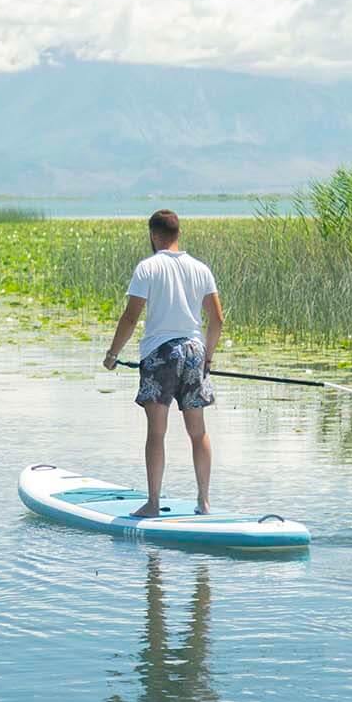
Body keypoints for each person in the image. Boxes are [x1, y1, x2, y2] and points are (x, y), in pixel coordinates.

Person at [104, 210, 223, 517]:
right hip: (194, 351)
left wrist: (112, 354)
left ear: (154, 235)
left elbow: (130, 317)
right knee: (198, 432)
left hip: (160, 353)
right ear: (178, 233)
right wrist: (207, 357)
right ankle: (204, 502)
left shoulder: (148, 267)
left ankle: (153, 504)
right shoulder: (201, 268)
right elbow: (217, 320)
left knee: (157, 433)